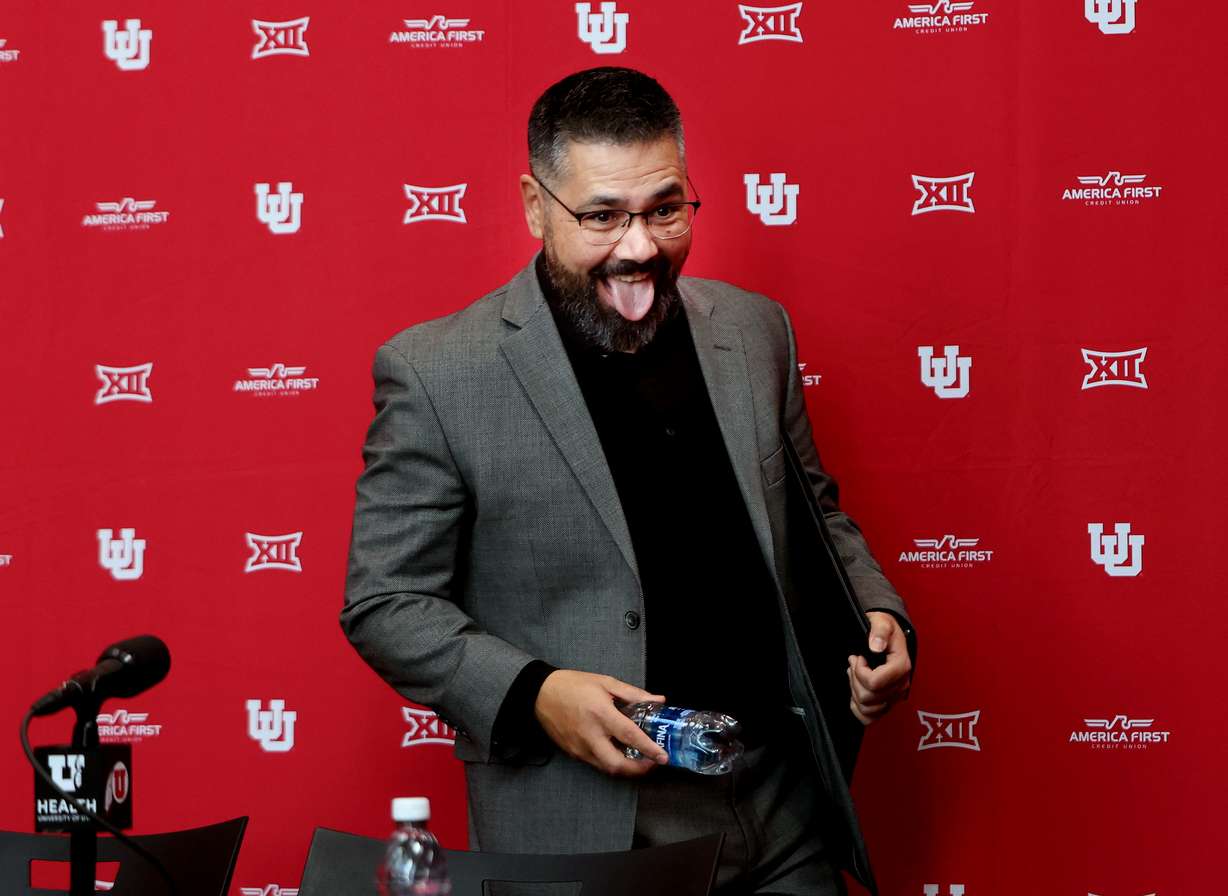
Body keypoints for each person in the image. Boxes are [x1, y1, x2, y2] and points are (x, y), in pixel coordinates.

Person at [342, 66, 916, 896]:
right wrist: (537, 694)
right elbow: (384, 601)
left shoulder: (756, 332)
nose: (640, 247)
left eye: (665, 210)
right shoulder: (437, 373)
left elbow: (814, 512)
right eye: (602, 216)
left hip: (782, 804)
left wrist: (878, 612)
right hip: (593, 831)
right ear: (536, 207)